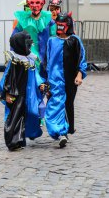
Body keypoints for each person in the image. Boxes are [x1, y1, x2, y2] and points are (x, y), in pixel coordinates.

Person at [45, 12, 87, 148]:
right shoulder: (51, 40)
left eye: (62, 24)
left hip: (69, 79)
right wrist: (46, 80)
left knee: (68, 103)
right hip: (54, 79)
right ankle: (60, 132)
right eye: (58, 24)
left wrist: (79, 74)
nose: (60, 27)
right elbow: (47, 61)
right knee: (56, 103)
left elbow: (82, 58)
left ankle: (65, 130)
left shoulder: (74, 40)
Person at [0, 31, 44, 151]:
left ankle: (21, 138)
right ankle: (12, 141)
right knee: (15, 117)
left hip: (28, 94)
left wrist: (40, 84)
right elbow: (8, 77)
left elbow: (35, 75)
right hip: (16, 94)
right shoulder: (15, 60)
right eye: (27, 41)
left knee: (28, 115)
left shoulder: (30, 59)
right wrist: (8, 92)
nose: (30, 44)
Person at [12, 0, 56, 78]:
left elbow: (54, 40)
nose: (35, 6)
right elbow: (14, 39)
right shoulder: (23, 20)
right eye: (32, 3)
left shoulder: (49, 20)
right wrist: (14, 55)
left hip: (44, 57)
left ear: (42, 3)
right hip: (27, 57)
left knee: (44, 82)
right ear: (29, 4)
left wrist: (53, 57)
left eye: (37, 3)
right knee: (29, 83)